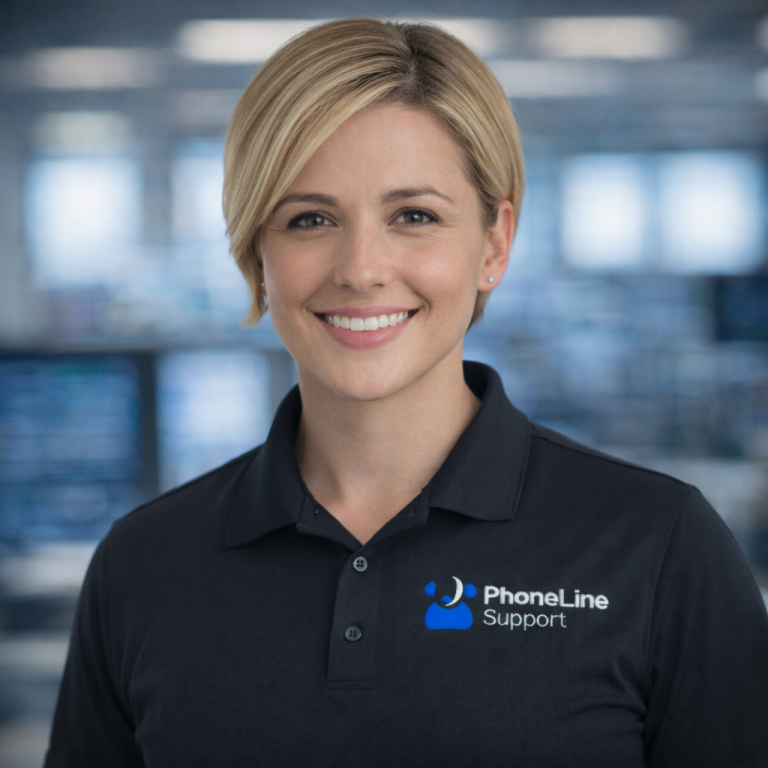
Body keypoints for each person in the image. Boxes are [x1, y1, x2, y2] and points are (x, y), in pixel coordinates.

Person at [45, 18, 768, 768]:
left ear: (494, 245)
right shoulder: (144, 564)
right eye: (310, 218)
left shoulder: (659, 548)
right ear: (257, 251)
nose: (361, 268)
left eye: (414, 216)